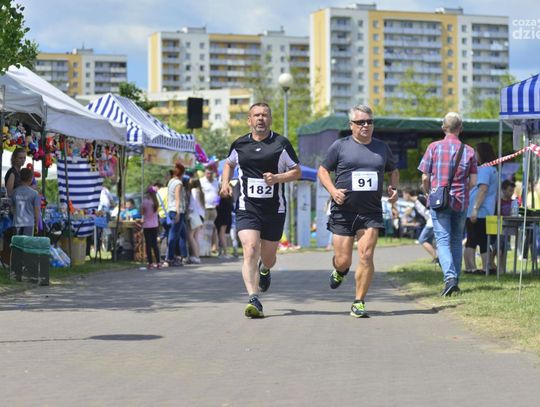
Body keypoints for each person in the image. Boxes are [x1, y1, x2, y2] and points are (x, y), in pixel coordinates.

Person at [220, 102, 301, 318]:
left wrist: (277, 178)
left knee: (269, 257)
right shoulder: (239, 144)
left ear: (270, 119)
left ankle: (264, 269)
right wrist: (225, 183)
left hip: (274, 209)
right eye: (256, 115)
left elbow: (296, 172)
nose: (260, 118)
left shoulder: (281, 144)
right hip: (248, 207)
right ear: (249, 120)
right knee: (250, 249)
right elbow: (228, 164)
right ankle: (253, 299)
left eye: (264, 115)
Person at [318, 104, 399, 318]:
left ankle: (359, 302)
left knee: (366, 255)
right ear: (351, 125)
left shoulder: (382, 148)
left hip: (370, 212)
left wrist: (394, 189)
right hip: (343, 211)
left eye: (369, 122)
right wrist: (333, 190)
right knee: (343, 259)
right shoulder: (340, 146)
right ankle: (340, 270)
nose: (365, 125)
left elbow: (393, 171)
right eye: (360, 122)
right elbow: (323, 170)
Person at [418, 112, 477, 297]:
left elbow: (425, 177)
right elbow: (473, 181)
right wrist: (462, 190)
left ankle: (450, 278)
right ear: (461, 128)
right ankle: (455, 281)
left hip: (439, 200)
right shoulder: (469, 151)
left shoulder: (433, 147)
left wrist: (428, 192)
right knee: (457, 240)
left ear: (443, 127)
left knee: (442, 240)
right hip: (461, 201)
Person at [464, 142, 498, 275]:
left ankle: (474, 267)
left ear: (482, 153)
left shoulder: (484, 169)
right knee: (479, 239)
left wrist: (475, 209)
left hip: (478, 210)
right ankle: (480, 267)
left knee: (475, 239)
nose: (474, 156)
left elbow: (483, 189)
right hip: (482, 210)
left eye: (476, 152)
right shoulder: (493, 169)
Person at [402, 188, 438, 263]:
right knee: (428, 241)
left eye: (403, 195)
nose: (403, 197)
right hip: (429, 221)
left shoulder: (420, 198)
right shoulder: (415, 203)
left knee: (422, 240)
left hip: (432, 221)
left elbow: (431, 207)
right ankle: (436, 258)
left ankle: (436, 258)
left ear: (407, 194)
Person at [165, 161, 188, 267]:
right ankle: (169, 258)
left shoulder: (171, 181)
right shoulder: (178, 183)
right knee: (174, 235)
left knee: (183, 234)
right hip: (177, 211)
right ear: (182, 173)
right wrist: (178, 212)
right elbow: (178, 198)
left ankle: (183, 256)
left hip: (171, 209)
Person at [490, 179, 516, 273]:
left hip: (508, 228)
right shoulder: (498, 202)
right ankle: (492, 262)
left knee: (504, 248)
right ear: (503, 190)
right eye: (510, 190)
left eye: (512, 191)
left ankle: (502, 267)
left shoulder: (513, 202)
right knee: (498, 248)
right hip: (498, 228)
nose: (511, 193)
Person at [11, 168, 40, 236]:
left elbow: (12, 209)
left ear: (20, 178)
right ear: (31, 179)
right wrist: (36, 225)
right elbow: (37, 210)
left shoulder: (14, 192)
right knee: (27, 242)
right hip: (29, 223)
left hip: (17, 223)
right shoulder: (34, 193)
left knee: (17, 242)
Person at [200, 168, 220, 253]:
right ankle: (203, 250)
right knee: (204, 229)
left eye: (211, 173)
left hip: (213, 209)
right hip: (204, 208)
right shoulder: (201, 181)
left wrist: (217, 202)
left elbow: (218, 193)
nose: (209, 175)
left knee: (212, 229)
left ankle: (210, 249)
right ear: (205, 173)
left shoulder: (216, 182)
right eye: (207, 173)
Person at [141, 185, 161, 269]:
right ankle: (158, 262)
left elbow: (142, 212)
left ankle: (150, 263)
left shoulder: (145, 202)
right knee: (155, 244)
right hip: (155, 225)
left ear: (148, 193)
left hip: (147, 225)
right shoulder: (156, 202)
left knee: (148, 245)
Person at [186, 178, 205, 264]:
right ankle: (197, 256)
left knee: (190, 236)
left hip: (195, 215)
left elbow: (192, 204)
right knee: (196, 237)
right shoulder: (200, 191)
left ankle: (195, 256)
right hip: (201, 215)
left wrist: (188, 213)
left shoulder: (193, 191)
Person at [215, 191, 233, 258]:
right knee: (221, 235)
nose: (222, 193)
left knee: (221, 235)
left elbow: (217, 206)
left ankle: (225, 252)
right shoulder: (221, 199)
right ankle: (221, 252)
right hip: (222, 218)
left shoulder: (225, 200)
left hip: (223, 219)